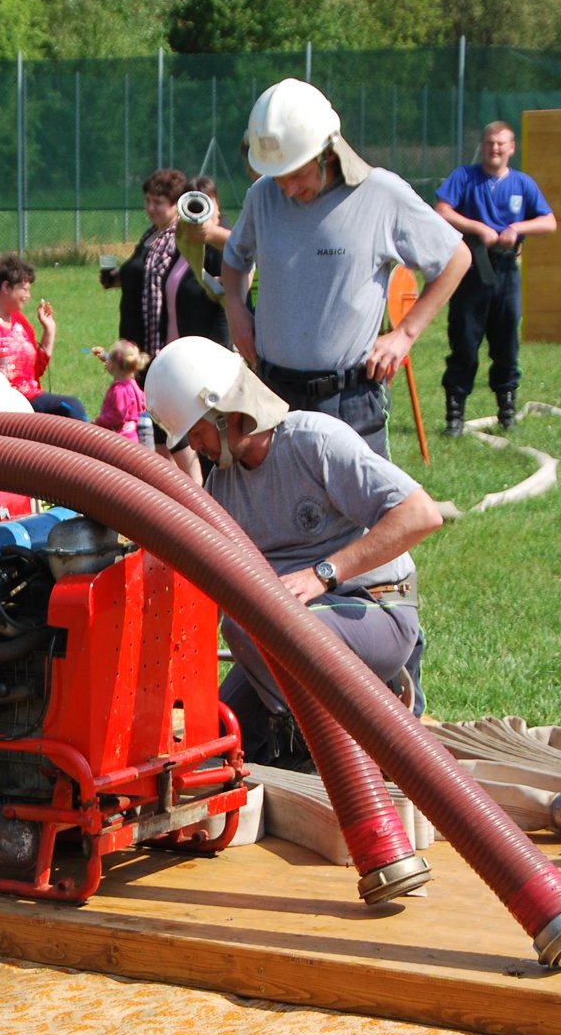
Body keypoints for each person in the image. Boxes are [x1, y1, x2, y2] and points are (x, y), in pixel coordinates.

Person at [143, 336, 441, 765]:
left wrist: (323, 574)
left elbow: (420, 514)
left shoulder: (314, 441)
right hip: (286, 635)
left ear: (228, 414)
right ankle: (303, 732)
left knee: (249, 628)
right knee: (211, 743)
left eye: (197, 432)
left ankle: (371, 712)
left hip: (374, 606)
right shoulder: (224, 486)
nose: (194, 446)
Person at [222, 78, 469, 458]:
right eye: (279, 176)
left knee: (354, 499)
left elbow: (456, 258)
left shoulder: (382, 194)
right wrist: (236, 313)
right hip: (273, 394)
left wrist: (405, 334)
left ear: (327, 152)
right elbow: (234, 259)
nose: (287, 189)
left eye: (297, 174)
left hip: (348, 400)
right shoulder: (263, 196)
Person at [434, 121, 556, 433]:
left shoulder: (522, 184)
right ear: (483, 145)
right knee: (464, 341)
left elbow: (549, 222)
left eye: (501, 143)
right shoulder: (464, 177)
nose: (495, 149)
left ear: (511, 148)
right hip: (470, 269)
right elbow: (442, 210)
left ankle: (507, 414)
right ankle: (454, 418)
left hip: (506, 272)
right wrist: (479, 228)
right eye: (490, 143)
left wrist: (517, 228)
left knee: (506, 344)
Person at [105, 167, 229, 357]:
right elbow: (147, 276)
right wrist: (118, 279)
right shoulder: (155, 235)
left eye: (158, 202)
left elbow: (225, 303)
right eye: (148, 200)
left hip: (180, 347)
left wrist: (219, 348)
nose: (150, 207)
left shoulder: (184, 241)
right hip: (145, 339)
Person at [0, 253, 86, 419]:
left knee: (71, 408)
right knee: (72, 407)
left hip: (31, 397)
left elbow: (35, 370)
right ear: (6, 287)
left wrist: (49, 330)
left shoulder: (20, 322)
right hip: (3, 402)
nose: (28, 296)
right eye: (24, 289)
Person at [93, 340, 148, 441]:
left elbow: (118, 414)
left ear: (112, 365)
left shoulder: (120, 390)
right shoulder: (132, 384)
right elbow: (143, 404)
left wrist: (99, 421)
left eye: (109, 360)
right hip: (133, 436)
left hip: (119, 439)